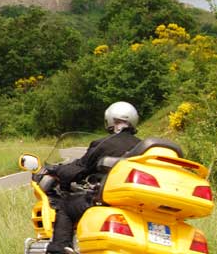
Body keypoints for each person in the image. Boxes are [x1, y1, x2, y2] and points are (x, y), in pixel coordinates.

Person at [45, 101, 143, 254]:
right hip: (137, 205)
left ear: (111, 120)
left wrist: (56, 169)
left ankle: (60, 250)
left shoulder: (105, 144)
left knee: (65, 207)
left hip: (107, 201)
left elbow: (78, 169)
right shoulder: (143, 146)